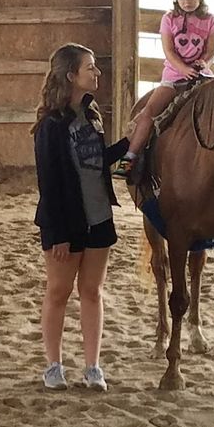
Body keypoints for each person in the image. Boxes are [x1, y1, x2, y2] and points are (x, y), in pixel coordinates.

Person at [32, 43, 130, 392]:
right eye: (90, 67)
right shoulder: (50, 126)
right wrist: (58, 233)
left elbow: (99, 161)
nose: (97, 72)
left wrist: (133, 141)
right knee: (58, 291)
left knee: (92, 291)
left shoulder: (91, 116)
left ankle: (92, 366)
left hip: (99, 217)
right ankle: (54, 365)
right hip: (65, 223)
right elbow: (50, 181)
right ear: (71, 75)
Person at [114, 0, 214, 178]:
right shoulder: (168, 19)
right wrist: (183, 69)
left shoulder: (210, 21)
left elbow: (212, 50)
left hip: (202, 76)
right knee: (149, 112)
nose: (187, 2)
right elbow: (169, 52)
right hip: (174, 77)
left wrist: (204, 64)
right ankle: (130, 158)